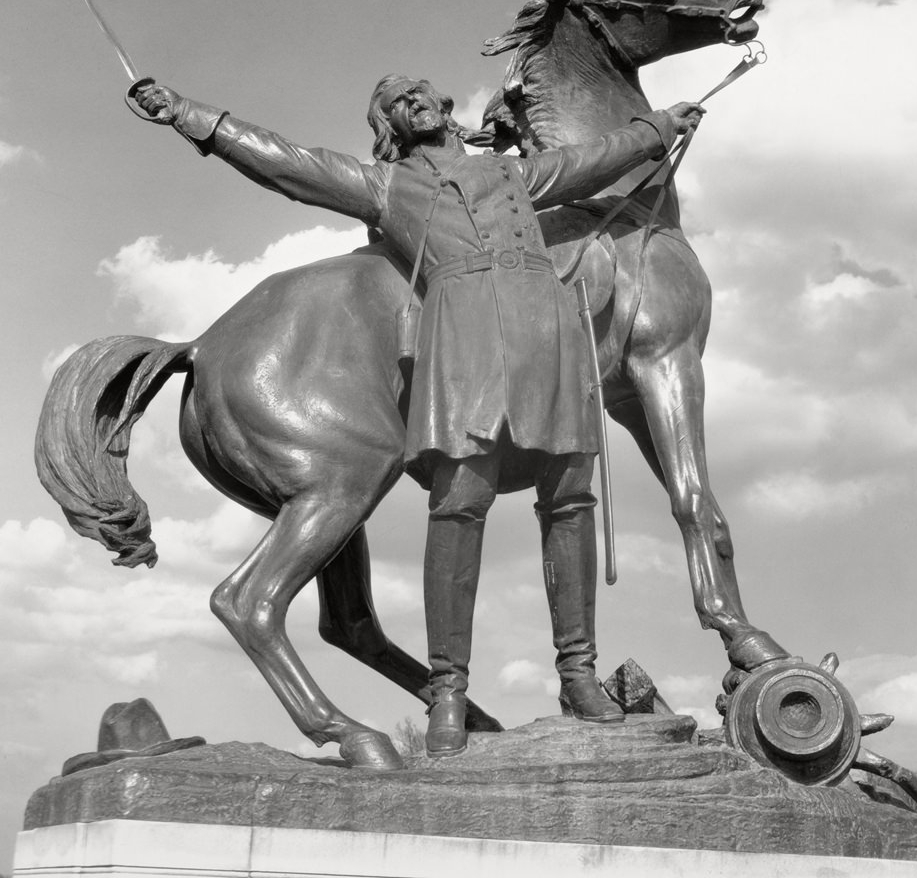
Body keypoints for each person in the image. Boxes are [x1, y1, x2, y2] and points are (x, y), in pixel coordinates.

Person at [134, 76, 705, 756]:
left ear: (446, 108)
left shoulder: (515, 173)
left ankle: (578, 673)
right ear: (389, 126)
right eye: (396, 98)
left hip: (548, 340)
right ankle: (448, 691)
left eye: (421, 89)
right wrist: (191, 116)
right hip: (459, 349)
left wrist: (660, 126)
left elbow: (594, 161)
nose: (414, 97)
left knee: (570, 502)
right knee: (458, 507)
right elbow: (285, 162)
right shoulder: (382, 185)